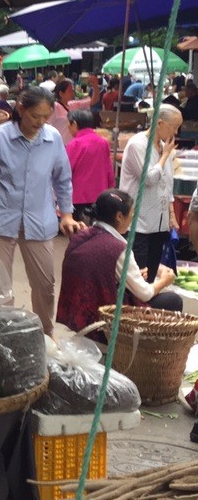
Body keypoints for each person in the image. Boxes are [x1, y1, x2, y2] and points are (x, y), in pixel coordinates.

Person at [0, 86, 83, 335]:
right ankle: (4, 335)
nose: (40, 123)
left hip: (40, 222)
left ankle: (44, 334)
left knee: (44, 284)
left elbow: (62, 180)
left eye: (45, 117)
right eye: (35, 116)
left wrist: (67, 214)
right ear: (21, 109)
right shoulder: (0, 136)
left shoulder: (53, 139)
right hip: (0, 219)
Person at [58, 189, 181, 332]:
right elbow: (145, 293)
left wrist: (133, 276)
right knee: (173, 301)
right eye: (131, 213)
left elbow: (99, 273)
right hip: (101, 320)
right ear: (119, 216)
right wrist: (165, 280)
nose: (133, 217)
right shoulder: (118, 248)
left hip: (74, 315)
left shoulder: (81, 236)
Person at [118, 103, 182, 284]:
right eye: (174, 127)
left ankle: (145, 309)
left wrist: (171, 215)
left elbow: (168, 183)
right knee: (137, 275)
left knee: (151, 274)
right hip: (139, 223)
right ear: (160, 123)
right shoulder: (137, 145)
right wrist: (164, 157)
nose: (176, 132)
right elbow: (149, 179)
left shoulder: (164, 146)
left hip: (158, 223)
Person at [66, 110, 114, 220]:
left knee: (78, 232)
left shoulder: (74, 144)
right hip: (100, 194)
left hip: (78, 197)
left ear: (74, 124)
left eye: (69, 124)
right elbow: (108, 169)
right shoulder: (103, 142)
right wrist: (111, 187)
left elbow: (66, 171)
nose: (68, 127)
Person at [50, 79, 75, 144]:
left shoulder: (70, 105)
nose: (72, 93)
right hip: (60, 144)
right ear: (61, 93)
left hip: (68, 144)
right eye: (70, 91)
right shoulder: (55, 106)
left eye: (72, 90)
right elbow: (47, 124)